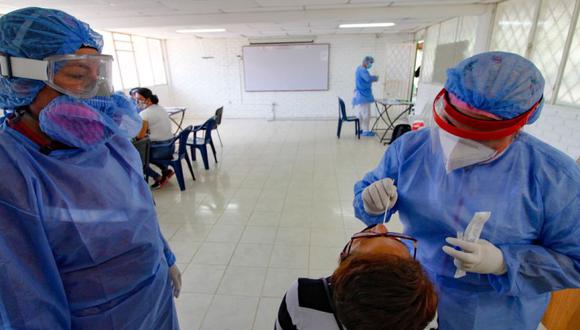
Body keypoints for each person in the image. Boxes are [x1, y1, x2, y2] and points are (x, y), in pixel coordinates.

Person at [353, 51, 580, 330]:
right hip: (415, 292)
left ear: (522, 122)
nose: (457, 147)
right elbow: (367, 193)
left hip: (494, 311)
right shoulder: (412, 148)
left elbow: (575, 260)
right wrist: (369, 202)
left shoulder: (554, 177)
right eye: (453, 128)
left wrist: (504, 263)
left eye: (481, 139)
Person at [0, 7, 181, 329]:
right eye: (76, 76)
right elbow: (25, 303)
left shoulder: (111, 142)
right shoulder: (11, 172)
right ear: (20, 80)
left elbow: (141, 212)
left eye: (97, 74)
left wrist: (165, 258)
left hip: (155, 300)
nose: (94, 93)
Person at [276, 223, 438, 330]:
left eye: (372, 236)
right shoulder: (411, 319)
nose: (381, 227)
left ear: (345, 260)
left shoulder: (303, 296)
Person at [134, 87, 175, 189]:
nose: (137, 102)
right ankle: (166, 171)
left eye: (139, 99)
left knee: (138, 159)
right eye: (135, 99)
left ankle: (158, 178)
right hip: (170, 145)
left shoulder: (144, 114)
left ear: (148, 99)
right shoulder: (160, 108)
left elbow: (140, 136)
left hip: (160, 149)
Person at [352, 56, 379, 137]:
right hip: (363, 96)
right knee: (366, 114)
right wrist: (375, 78)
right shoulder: (363, 70)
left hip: (360, 95)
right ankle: (366, 131)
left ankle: (359, 129)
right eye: (370, 63)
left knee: (360, 113)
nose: (371, 65)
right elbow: (367, 79)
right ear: (366, 62)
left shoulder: (359, 69)